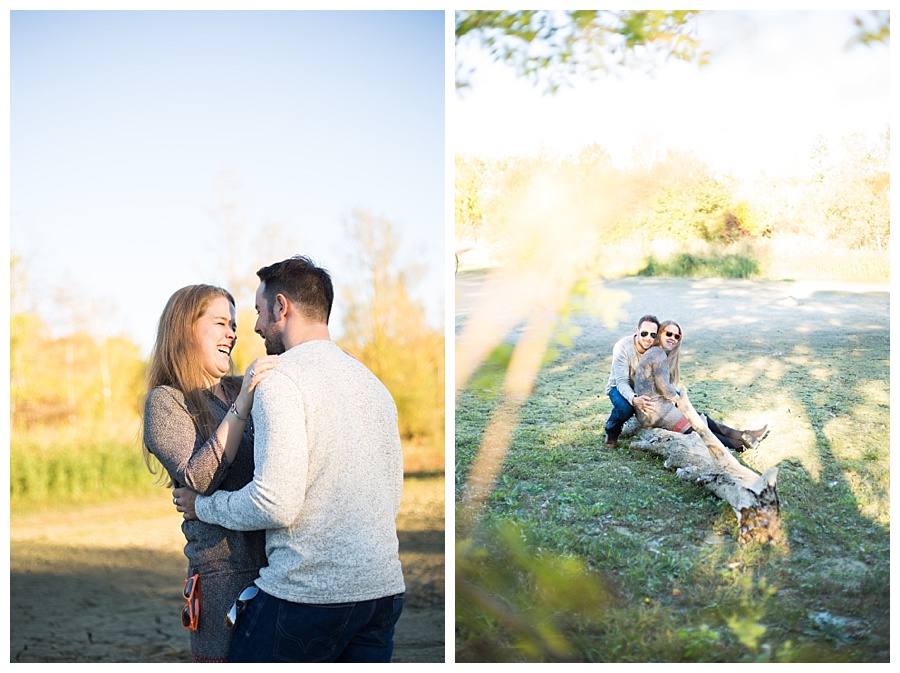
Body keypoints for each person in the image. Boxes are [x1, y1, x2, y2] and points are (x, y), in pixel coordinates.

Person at [172, 255, 406, 663]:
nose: (257, 328)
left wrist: (204, 506)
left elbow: (274, 503)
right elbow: (392, 496)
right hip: (383, 593)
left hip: (307, 596)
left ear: (282, 307)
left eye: (260, 313)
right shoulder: (373, 384)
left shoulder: (279, 379)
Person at [142, 284, 279, 662]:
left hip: (280, 566)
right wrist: (244, 401)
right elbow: (200, 479)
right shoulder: (167, 401)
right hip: (223, 579)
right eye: (220, 322)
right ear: (186, 329)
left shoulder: (239, 388)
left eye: (233, 324)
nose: (232, 333)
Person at [633, 319, 768, 452]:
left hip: (657, 409)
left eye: (677, 336)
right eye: (668, 334)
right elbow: (664, 388)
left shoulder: (658, 353)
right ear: (659, 333)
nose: (672, 338)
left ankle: (745, 435)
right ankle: (740, 445)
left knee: (702, 417)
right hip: (655, 412)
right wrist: (680, 402)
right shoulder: (657, 353)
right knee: (699, 429)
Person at [603, 314, 660, 447]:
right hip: (618, 387)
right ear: (637, 331)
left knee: (676, 397)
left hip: (644, 388)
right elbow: (622, 382)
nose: (648, 338)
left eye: (653, 335)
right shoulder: (622, 347)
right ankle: (612, 431)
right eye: (644, 333)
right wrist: (634, 399)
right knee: (625, 408)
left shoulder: (656, 348)